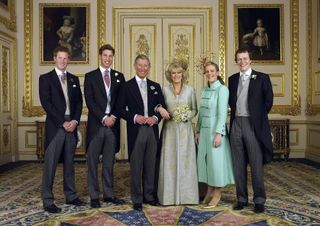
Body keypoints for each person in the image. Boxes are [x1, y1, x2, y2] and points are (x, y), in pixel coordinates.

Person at [39, 46, 84, 213]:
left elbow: (79, 102)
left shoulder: (73, 79)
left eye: (66, 58)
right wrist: (62, 122)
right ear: (54, 58)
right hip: (56, 127)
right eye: (60, 58)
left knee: (69, 164)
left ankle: (71, 196)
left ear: (68, 60)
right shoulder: (45, 79)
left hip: (71, 125)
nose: (63, 61)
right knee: (50, 165)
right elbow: (46, 103)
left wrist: (75, 120)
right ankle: (48, 200)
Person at [118, 54, 166, 211]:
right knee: (137, 166)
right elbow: (119, 109)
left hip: (152, 130)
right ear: (135, 66)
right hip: (136, 130)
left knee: (151, 165)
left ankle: (149, 196)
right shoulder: (126, 86)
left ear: (149, 68)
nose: (143, 68)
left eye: (146, 65)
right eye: (140, 65)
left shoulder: (155, 86)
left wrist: (155, 117)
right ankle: (137, 198)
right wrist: (134, 117)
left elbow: (162, 107)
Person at [228, 48, 273, 213]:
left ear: (250, 60)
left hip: (253, 124)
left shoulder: (262, 78)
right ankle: (241, 199)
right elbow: (231, 103)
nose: (242, 62)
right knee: (238, 164)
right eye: (239, 59)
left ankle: (259, 200)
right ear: (236, 61)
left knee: (256, 164)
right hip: (236, 124)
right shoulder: (232, 79)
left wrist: (257, 117)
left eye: (245, 58)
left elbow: (268, 101)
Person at [84, 44, 126, 208]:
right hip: (97, 125)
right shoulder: (90, 76)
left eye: (110, 56)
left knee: (109, 163)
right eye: (105, 55)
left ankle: (108, 195)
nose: (107, 58)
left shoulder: (119, 76)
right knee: (92, 162)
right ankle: (94, 196)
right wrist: (103, 118)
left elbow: (121, 101)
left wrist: (113, 116)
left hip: (113, 126)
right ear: (100, 56)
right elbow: (90, 101)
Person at [156, 61, 199, 205]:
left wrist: (188, 116)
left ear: (183, 74)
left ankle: (188, 197)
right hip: (170, 130)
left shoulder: (190, 90)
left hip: (186, 131)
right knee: (169, 162)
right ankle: (168, 197)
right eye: (173, 73)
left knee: (186, 162)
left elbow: (194, 109)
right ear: (169, 75)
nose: (176, 75)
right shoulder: (164, 90)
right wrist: (162, 111)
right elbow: (159, 106)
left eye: (179, 73)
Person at [195, 61, 235, 208]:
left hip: (215, 131)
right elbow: (201, 113)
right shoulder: (204, 90)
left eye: (212, 71)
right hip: (204, 132)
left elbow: (222, 114)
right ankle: (209, 190)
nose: (210, 74)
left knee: (216, 164)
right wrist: (198, 130)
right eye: (207, 72)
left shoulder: (223, 90)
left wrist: (219, 133)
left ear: (217, 73)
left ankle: (217, 193)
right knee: (206, 163)